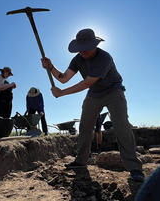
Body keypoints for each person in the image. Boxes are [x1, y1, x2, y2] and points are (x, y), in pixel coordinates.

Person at [41, 28, 144, 182]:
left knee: (122, 126)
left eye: (85, 49)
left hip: (113, 92)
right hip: (94, 94)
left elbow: (86, 82)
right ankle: (80, 161)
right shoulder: (78, 59)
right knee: (85, 126)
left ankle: (134, 168)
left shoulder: (104, 58)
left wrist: (61, 93)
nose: (82, 52)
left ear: (94, 45)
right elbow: (63, 78)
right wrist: (51, 67)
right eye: (79, 49)